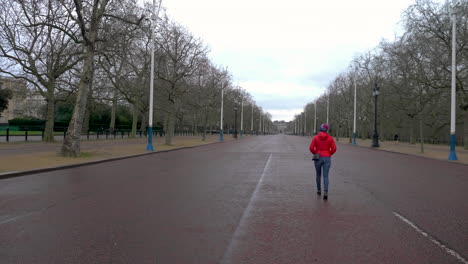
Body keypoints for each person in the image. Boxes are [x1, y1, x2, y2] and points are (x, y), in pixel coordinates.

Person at [309, 123, 337, 200]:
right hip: (327, 157)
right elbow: (334, 149)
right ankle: (325, 191)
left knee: (318, 175)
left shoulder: (315, 138)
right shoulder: (330, 138)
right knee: (326, 176)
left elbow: (311, 148)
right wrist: (328, 153)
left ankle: (318, 190)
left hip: (318, 157)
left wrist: (315, 153)